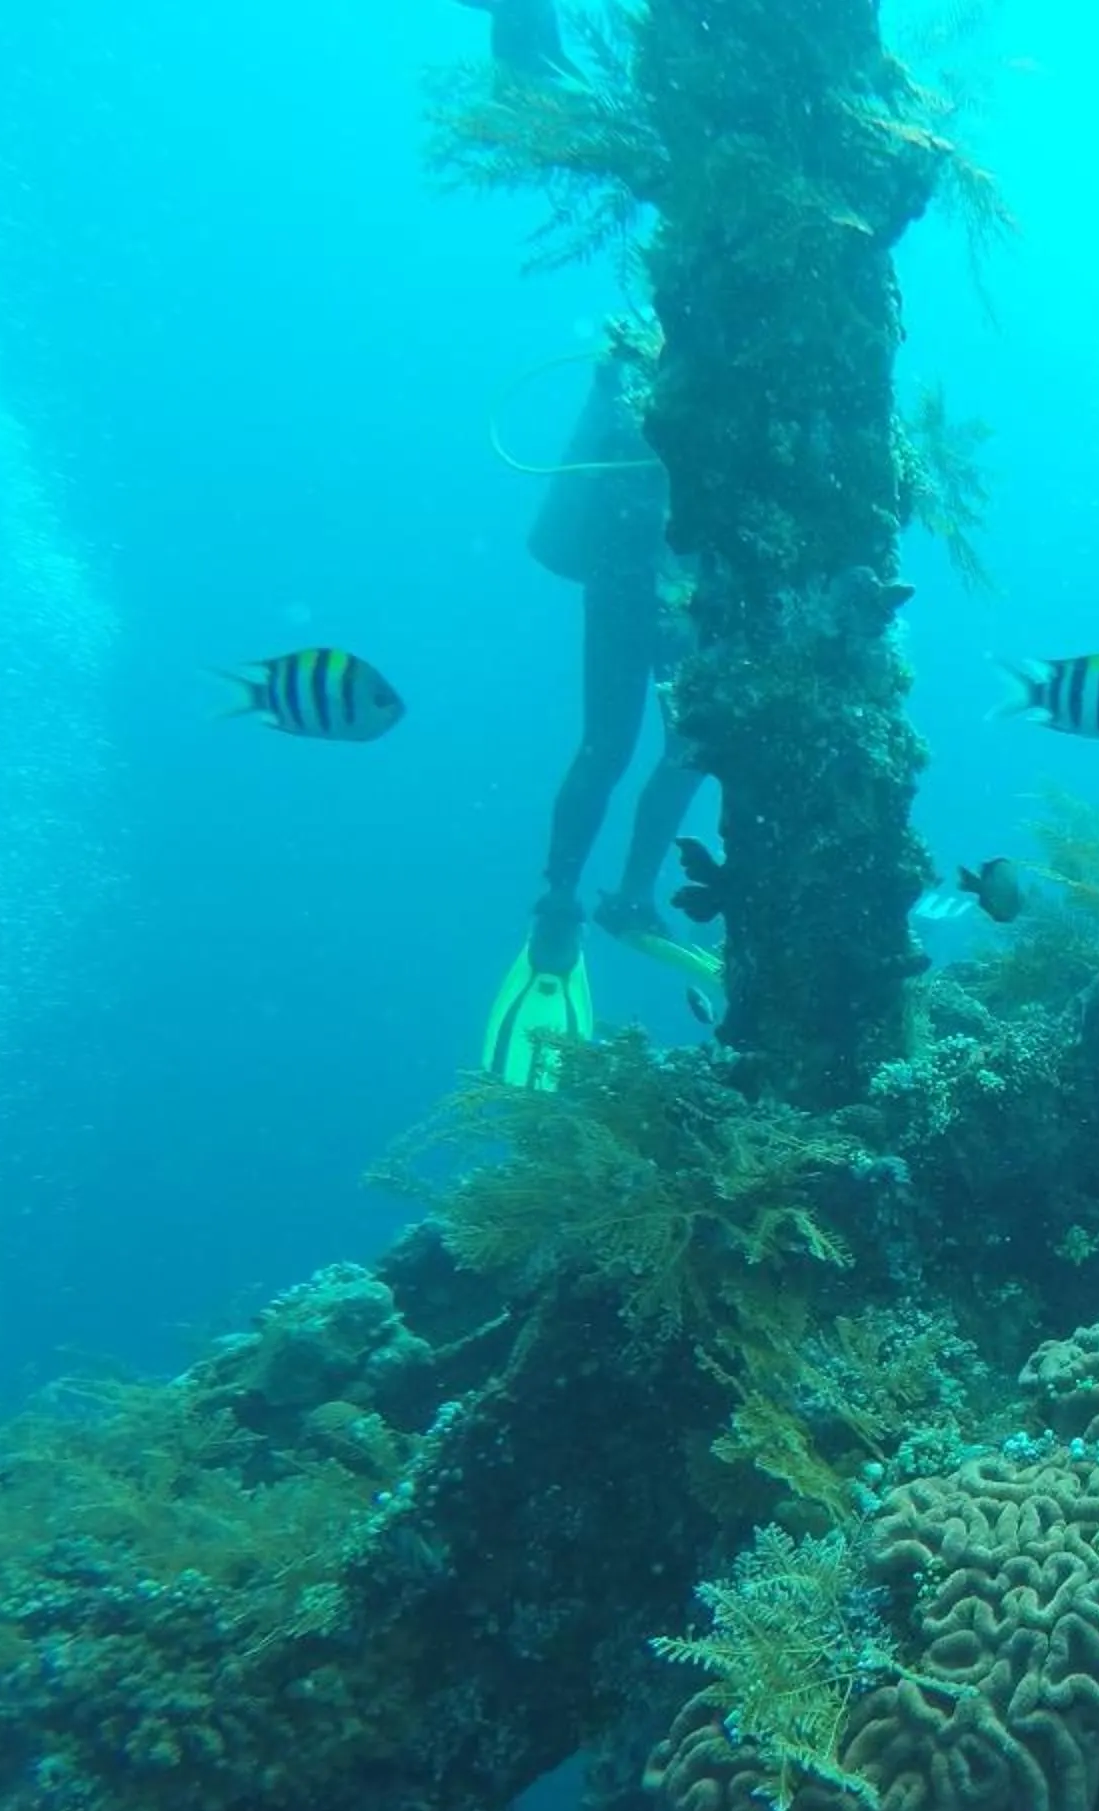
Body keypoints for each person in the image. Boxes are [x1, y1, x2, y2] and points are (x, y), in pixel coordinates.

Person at [470, 0, 717, 1087]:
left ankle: (574, 898)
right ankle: (609, 896)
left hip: (633, 563)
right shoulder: (681, 364)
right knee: (675, 740)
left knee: (623, 743)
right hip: (649, 564)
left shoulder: (647, 357)